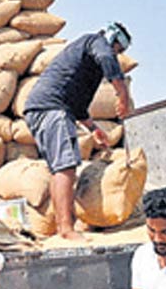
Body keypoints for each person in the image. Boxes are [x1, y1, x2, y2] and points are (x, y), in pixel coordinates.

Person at [22, 23, 136, 241]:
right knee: (66, 167)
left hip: (44, 108)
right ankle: (66, 228)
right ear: (111, 40)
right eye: (118, 50)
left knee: (59, 168)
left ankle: (62, 226)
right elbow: (106, 57)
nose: (117, 55)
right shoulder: (95, 42)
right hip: (52, 108)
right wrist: (122, 94)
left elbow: (78, 105)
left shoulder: (88, 67)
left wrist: (94, 129)